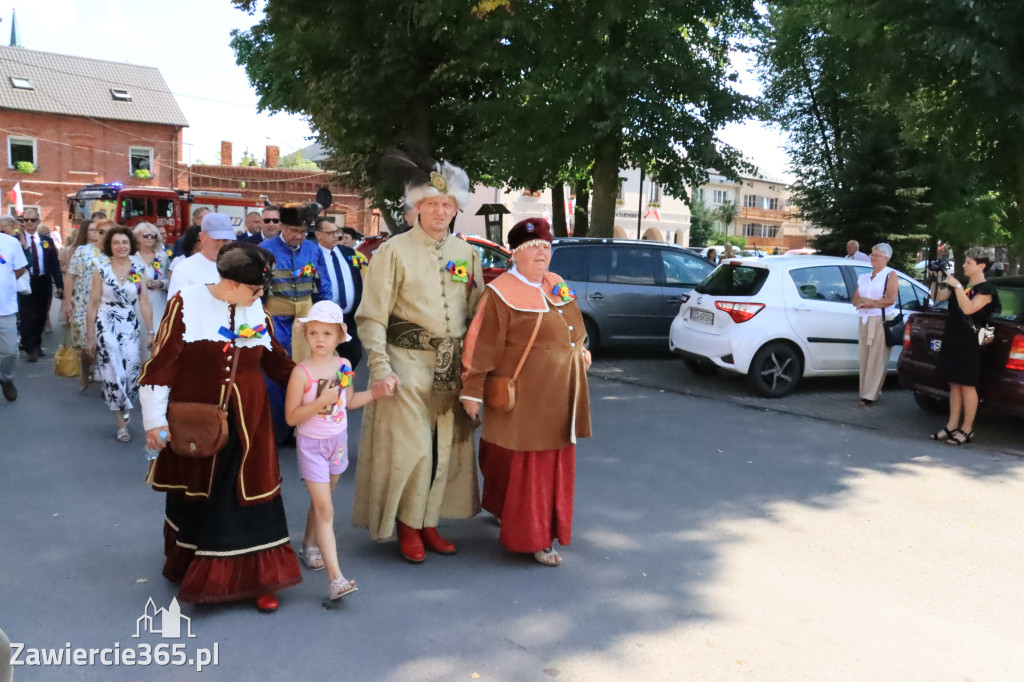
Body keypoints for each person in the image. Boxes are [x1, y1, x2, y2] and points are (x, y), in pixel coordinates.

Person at [140, 242, 302, 612]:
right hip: (197, 420)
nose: (260, 296)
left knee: (249, 495)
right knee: (199, 495)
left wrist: (316, 382)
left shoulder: (253, 307)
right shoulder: (186, 303)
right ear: (229, 283)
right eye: (254, 290)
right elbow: (162, 363)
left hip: (250, 423)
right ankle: (197, 567)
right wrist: (154, 421)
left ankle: (259, 580)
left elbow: (275, 360)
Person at [352, 158, 484, 563]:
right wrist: (380, 366)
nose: (440, 210)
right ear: (417, 207)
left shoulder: (467, 253)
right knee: (413, 448)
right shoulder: (392, 251)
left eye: (447, 203)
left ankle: (429, 522)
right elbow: (371, 315)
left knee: (444, 448)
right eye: (432, 203)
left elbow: (479, 312)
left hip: (450, 364)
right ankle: (407, 525)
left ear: (455, 207)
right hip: (405, 360)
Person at [460, 218, 592, 566]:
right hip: (523, 397)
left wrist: (580, 348)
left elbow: (573, 325)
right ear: (515, 253)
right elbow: (481, 345)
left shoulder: (556, 283)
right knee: (525, 465)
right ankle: (533, 537)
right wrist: (471, 390)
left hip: (562, 392)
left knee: (545, 463)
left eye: (546, 247)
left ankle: (520, 519)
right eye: (534, 247)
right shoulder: (500, 292)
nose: (542, 253)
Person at [284, 301, 382, 600]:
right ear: (306, 335)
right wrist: (319, 402)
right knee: (326, 508)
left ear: (340, 336)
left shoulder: (344, 366)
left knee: (321, 502)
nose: (319, 339)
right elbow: (291, 418)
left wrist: (376, 393)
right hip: (312, 447)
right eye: (313, 333)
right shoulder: (301, 373)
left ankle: (309, 545)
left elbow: (348, 401)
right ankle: (336, 578)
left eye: (327, 333)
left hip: (337, 443)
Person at [260, 203, 331, 443]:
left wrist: (327, 317)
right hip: (275, 323)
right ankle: (277, 432)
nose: (297, 236)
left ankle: (306, 430)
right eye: (292, 230)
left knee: (309, 377)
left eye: (301, 231)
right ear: (281, 226)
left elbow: (323, 286)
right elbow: (257, 290)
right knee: (276, 377)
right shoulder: (265, 249)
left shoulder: (313, 250)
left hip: (306, 324)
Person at [85, 226, 154, 442]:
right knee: (112, 367)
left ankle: (125, 404)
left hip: (129, 323)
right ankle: (120, 423)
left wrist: (151, 331)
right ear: (110, 247)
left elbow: (144, 300)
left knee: (132, 370)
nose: (121, 246)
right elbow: (93, 303)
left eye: (124, 242)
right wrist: (89, 337)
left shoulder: (137, 270)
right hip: (106, 321)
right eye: (116, 243)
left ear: (130, 245)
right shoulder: (102, 270)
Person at [929, 247, 999, 445]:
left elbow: (969, 309)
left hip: (970, 341)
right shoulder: (964, 285)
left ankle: (967, 429)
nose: (964, 265)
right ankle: (952, 425)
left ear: (981, 266)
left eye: (968, 262)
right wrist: (936, 277)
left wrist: (958, 286)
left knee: (967, 385)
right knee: (954, 383)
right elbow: (937, 297)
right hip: (953, 337)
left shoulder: (986, 289)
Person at [63, 220, 110, 392]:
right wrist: (68, 301)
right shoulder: (83, 251)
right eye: (100, 231)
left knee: (107, 342)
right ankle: (85, 371)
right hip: (85, 302)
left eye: (107, 231)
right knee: (86, 342)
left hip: (108, 304)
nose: (102, 234)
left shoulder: (116, 252)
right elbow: (71, 276)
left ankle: (108, 381)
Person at [851, 243, 899, 407]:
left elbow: (891, 299)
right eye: (871, 254)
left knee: (877, 358)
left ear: (886, 258)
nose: (872, 258)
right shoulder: (864, 277)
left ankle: (870, 394)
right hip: (864, 319)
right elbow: (854, 299)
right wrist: (862, 302)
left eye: (876, 255)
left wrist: (870, 303)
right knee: (865, 355)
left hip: (880, 320)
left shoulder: (889, 275)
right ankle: (864, 391)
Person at [313, 218, 363, 368]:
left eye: (337, 231)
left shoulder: (348, 252)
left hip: (349, 318)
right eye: (330, 233)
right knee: (327, 360)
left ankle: (343, 387)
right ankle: (330, 389)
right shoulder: (313, 255)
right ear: (318, 234)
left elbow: (358, 279)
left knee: (353, 355)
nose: (336, 236)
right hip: (326, 319)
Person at [16, 208, 63, 362]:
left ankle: (37, 344)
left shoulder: (46, 241)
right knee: (26, 316)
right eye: (26, 220)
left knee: (41, 315)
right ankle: (30, 348)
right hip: (26, 281)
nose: (29, 223)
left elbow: (55, 264)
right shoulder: (17, 240)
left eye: (33, 220)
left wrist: (60, 285)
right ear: (22, 222)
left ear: (38, 221)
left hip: (43, 281)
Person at [167, 214, 235, 298]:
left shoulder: (239, 266)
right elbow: (176, 307)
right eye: (217, 239)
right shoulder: (184, 268)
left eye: (226, 240)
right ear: (202, 237)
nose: (222, 244)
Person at [0, 219, 29, 401]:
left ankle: (5, 378)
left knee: (11, 350)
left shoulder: (10, 242)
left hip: (6, 308)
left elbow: (19, 269)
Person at [131, 221, 171, 352]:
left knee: (158, 332)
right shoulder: (131, 257)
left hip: (158, 300)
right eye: (145, 235)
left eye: (153, 236)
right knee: (139, 334)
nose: (149, 238)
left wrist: (161, 283)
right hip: (136, 301)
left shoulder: (162, 256)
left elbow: (169, 279)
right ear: (137, 237)